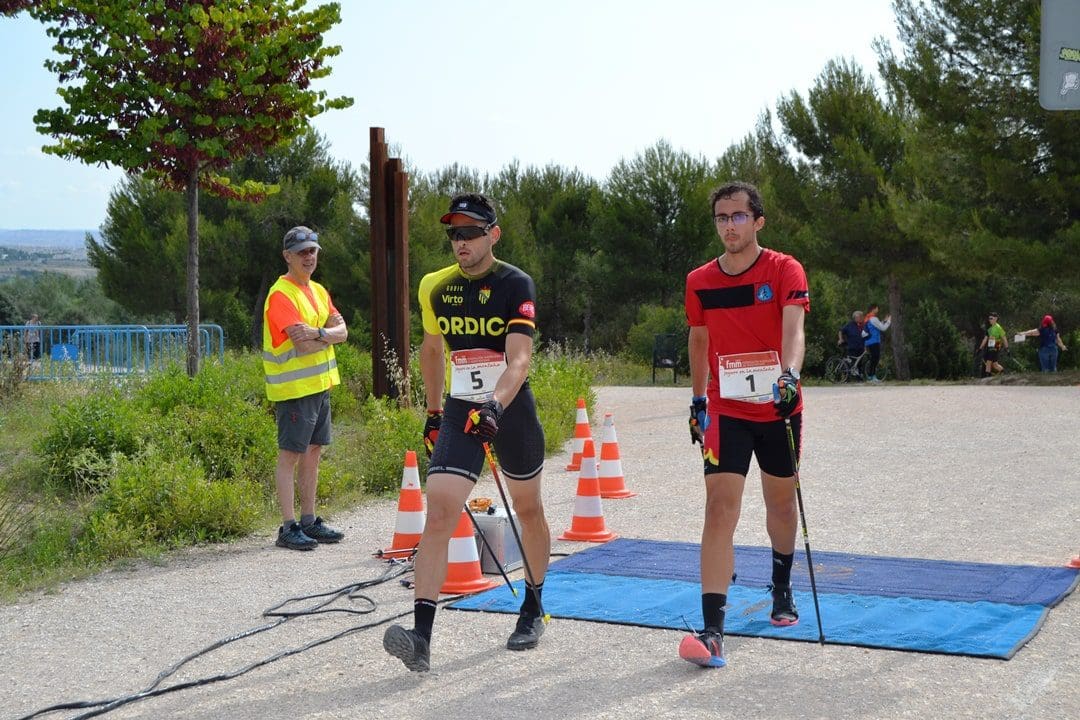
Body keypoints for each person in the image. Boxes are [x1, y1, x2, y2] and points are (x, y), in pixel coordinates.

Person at [383, 193, 550, 673]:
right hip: (460, 409)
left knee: (529, 509)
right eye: (454, 233)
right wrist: (435, 412)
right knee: (439, 510)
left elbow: (519, 358)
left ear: (492, 235)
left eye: (471, 233)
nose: (461, 242)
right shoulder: (437, 288)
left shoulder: (515, 283)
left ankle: (534, 607)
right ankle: (421, 636)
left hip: (509, 408)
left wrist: (496, 405)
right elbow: (432, 351)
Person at [681, 181, 810, 668]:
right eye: (720, 217)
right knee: (719, 509)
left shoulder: (784, 269)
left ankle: (781, 583)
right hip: (726, 407)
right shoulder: (699, 280)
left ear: (757, 221)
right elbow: (698, 341)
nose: (728, 225)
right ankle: (713, 629)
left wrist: (790, 377)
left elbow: (793, 329)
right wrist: (697, 400)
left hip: (778, 404)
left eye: (737, 216)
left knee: (779, 502)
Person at [262, 226, 347, 551]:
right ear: (287, 257)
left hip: (319, 387)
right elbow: (301, 341)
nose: (309, 257)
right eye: (301, 252)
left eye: (312, 251)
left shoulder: (319, 291)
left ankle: (309, 521)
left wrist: (320, 335)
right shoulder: (281, 294)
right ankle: (288, 526)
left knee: (313, 453)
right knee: (290, 456)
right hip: (294, 390)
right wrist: (325, 336)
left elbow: (343, 331)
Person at [863, 304, 891, 383]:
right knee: (875, 359)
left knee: (873, 359)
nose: (878, 310)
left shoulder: (868, 318)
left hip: (869, 341)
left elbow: (876, 326)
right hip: (874, 341)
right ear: (873, 309)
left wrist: (884, 321)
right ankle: (872, 376)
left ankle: (870, 377)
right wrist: (889, 321)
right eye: (877, 308)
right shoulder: (874, 318)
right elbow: (883, 328)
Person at [837, 310, 866, 377]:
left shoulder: (863, 325)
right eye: (860, 317)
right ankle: (846, 377)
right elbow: (841, 331)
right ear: (855, 318)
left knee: (859, 363)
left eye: (862, 317)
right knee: (850, 363)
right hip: (852, 347)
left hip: (861, 347)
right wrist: (841, 339)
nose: (862, 318)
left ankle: (859, 377)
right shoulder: (850, 324)